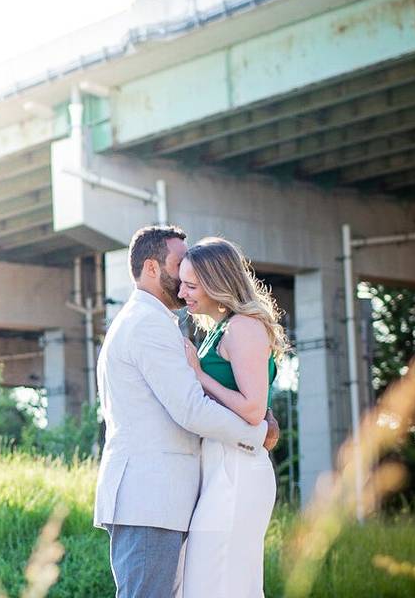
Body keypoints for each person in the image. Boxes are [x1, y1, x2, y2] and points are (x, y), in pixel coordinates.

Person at [94, 225, 279, 598]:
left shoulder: (154, 321)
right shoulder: (147, 324)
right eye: (178, 265)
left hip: (164, 497)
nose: (183, 278)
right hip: (151, 498)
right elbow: (191, 410)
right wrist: (258, 434)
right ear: (150, 267)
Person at [176, 236, 288, 598]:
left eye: (191, 285)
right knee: (212, 584)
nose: (182, 294)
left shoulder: (244, 327)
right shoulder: (218, 330)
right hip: (220, 468)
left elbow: (254, 409)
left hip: (237, 471)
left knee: (218, 584)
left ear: (216, 283)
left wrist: (199, 375)